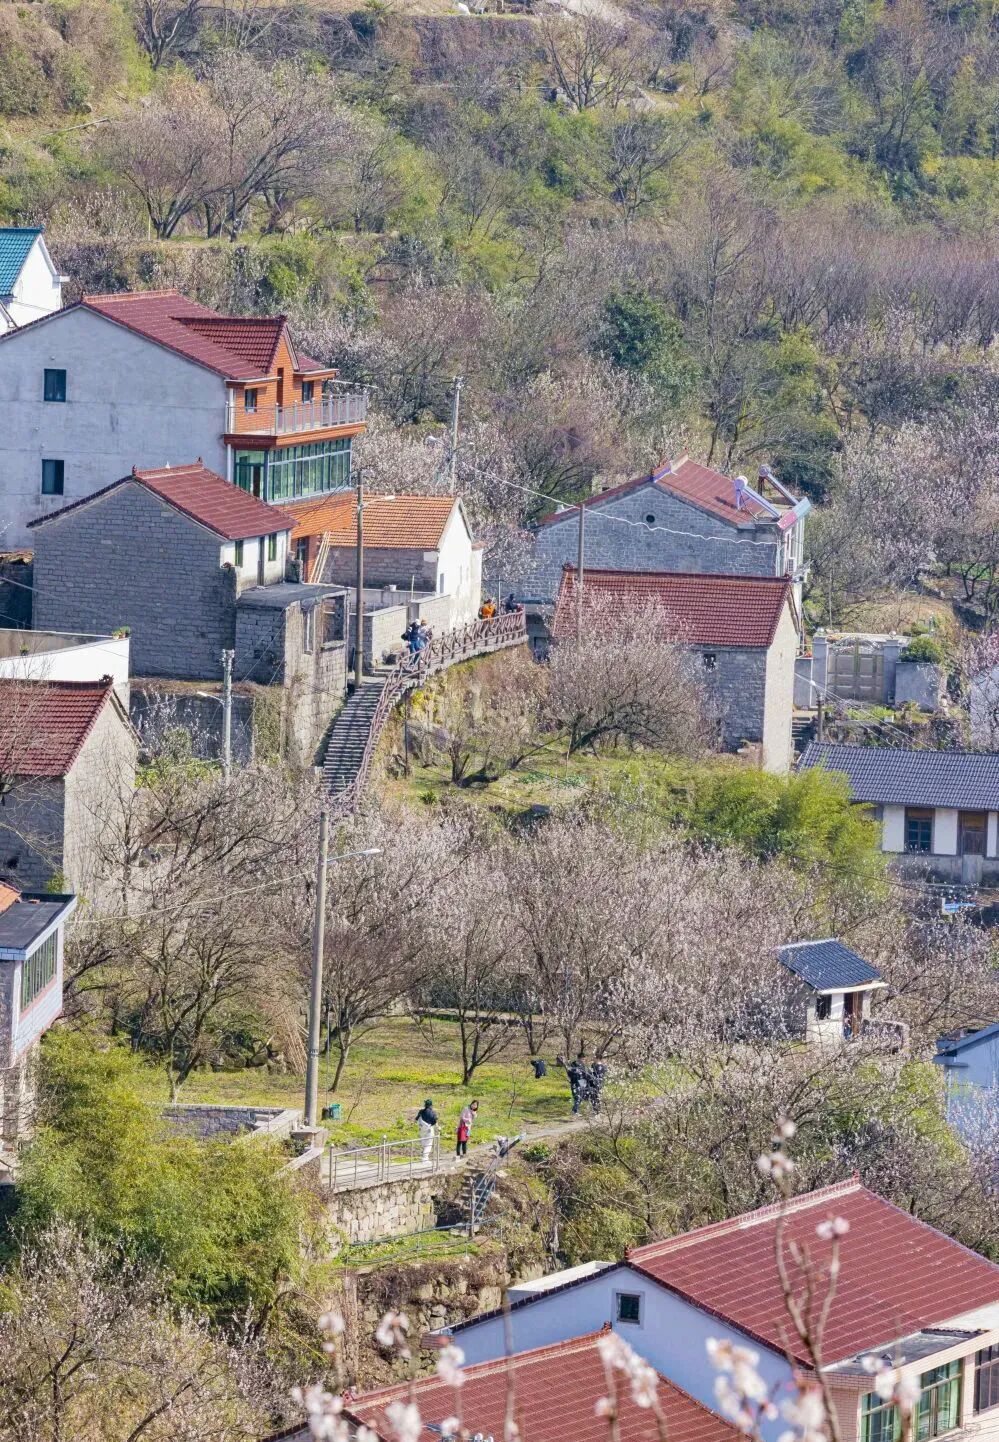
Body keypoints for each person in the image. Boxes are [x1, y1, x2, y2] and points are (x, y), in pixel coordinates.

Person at [416, 1097, 438, 1163]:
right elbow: (434, 1121)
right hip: (429, 1130)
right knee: (428, 1144)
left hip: (422, 1130)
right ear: (431, 1105)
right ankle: (425, 1159)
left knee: (424, 1144)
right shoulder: (432, 1112)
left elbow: (416, 1119)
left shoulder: (421, 1111)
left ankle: (424, 1157)